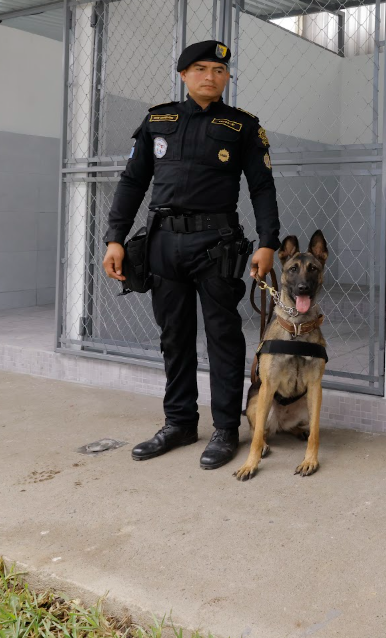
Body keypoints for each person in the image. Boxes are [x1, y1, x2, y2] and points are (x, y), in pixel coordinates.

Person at [102, 39, 279, 470]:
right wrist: (115, 238)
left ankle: (225, 429)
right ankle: (179, 422)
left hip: (216, 244)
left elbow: (261, 187)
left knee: (223, 336)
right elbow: (132, 182)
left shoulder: (242, 127)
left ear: (227, 77)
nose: (209, 76)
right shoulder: (158, 121)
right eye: (199, 69)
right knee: (174, 336)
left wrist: (267, 242)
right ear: (183, 75)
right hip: (163, 243)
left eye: (218, 70)